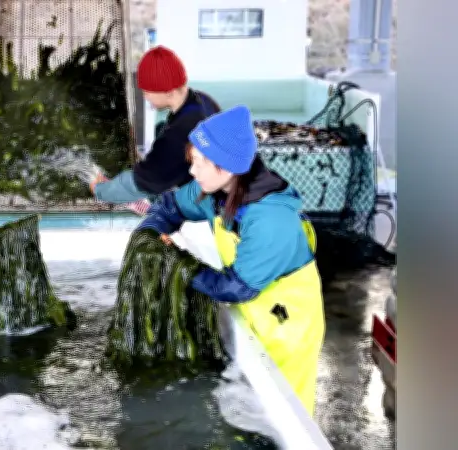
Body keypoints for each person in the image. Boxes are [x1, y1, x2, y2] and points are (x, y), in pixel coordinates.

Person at [136, 105, 325, 415]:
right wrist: (149, 237)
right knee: (247, 409)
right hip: (250, 313)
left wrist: (176, 265)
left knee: (285, 413)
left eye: (198, 163)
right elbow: (170, 206)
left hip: (286, 325)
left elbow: (237, 287)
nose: (192, 172)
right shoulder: (215, 190)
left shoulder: (269, 219)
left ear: (225, 167)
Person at [91, 45, 221, 203]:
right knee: (160, 129)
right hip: (215, 174)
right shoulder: (202, 100)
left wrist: (100, 190)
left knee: (150, 187)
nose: (145, 97)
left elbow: (141, 182)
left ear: (168, 92)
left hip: (207, 200)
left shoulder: (178, 134)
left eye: (147, 92)